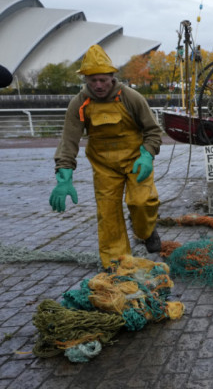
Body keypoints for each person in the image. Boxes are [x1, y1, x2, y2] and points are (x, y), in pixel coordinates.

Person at [50, 45, 162, 268]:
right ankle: (117, 265)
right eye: (92, 80)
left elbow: (153, 131)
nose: (98, 85)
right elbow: (69, 139)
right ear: (85, 80)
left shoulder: (131, 97)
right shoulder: (79, 103)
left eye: (102, 80)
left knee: (141, 203)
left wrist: (147, 155)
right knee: (108, 216)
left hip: (135, 163)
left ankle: (146, 231)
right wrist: (64, 173)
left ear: (112, 77)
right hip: (104, 168)